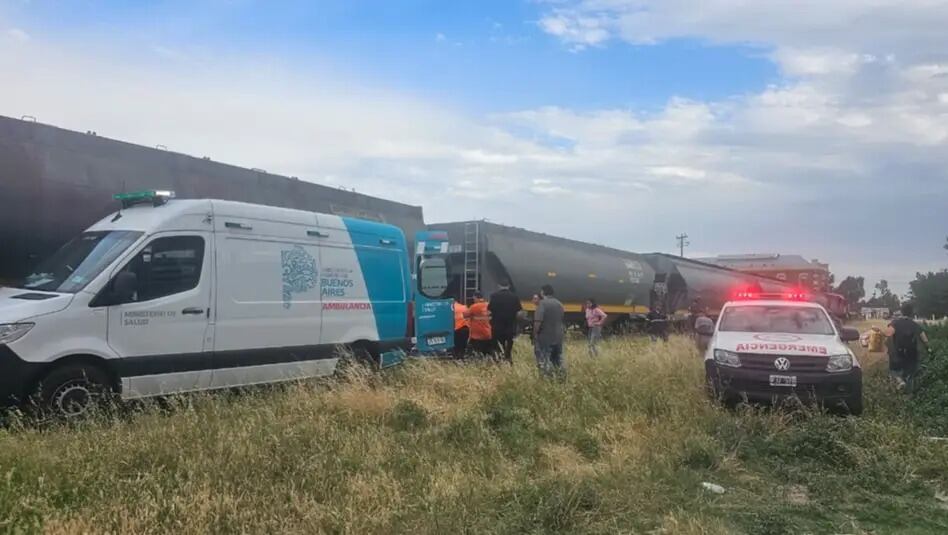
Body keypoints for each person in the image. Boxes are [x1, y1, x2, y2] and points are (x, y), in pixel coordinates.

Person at [884, 303, 929, 389]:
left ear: (901, 312)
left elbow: (888, 334)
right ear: (911, 312)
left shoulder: (895, 323)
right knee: (910, 373)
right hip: (912, 353)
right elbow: (924, 339)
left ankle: (900, 381)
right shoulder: (915, 325)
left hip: (898, 352)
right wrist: (929, 349)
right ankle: (909, 392)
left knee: (894, 371)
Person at [534, 285, 565, 378]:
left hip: (545, 336)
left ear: (543, 292)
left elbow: (538, 321)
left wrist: (535, 333)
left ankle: (546, 377)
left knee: (545, 358)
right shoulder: (559, 304)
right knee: (558, 358)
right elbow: (561, 318)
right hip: (558, 336)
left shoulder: (542, 304)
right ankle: (561, 376)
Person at [489, 279, 523, 365]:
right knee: (509, 345)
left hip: (497, 326)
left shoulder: (494, 296)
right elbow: (519, 313)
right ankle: (508, 359)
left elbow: (489, 310)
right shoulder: (514, 297)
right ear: (509, 286)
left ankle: (498, 361)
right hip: (510, 326)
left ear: (499, 286)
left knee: (497, 345)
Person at [465, 292, 496, 358]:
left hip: (477, 335)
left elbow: (465, 315)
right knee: (488, 351)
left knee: (476, 352)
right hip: (488, 333)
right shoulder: (489, 305)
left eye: (474, 298)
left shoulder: (474, 306)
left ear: (476, 297)